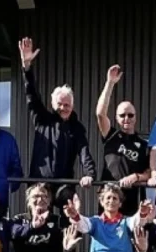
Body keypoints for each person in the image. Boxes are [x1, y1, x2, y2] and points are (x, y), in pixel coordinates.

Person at [18, 37, 96, 196]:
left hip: (63, 185)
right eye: (59, 104)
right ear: (53, 105)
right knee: (37, 208)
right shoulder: (42, 119)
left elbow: (84, 152)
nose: (63, 108)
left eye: (66, 105)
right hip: (39, 182)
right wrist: (27, 67)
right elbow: (31, 94)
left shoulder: (77, 127)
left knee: (69, 202)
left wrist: (89, 174)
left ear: (72, 106)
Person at [64, 190, 150, 252]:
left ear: (120, 203)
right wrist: (75, 216)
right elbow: (83, 225)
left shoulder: (126, 221)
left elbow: (136, 222)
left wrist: (142, 214)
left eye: (115, 198)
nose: (111, 201)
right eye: (108, 198)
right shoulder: (95, 221)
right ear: (101, 202)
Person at [95, 65, 150, 216]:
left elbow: (150, 173)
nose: (126, 119)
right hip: (108, 197)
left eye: (130, 115)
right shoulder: (110, 135)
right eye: (122, 115)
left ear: (136, 117)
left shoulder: (143, 144)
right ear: (116, 118)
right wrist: (110, 83)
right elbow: (100, 113)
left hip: (131, 199)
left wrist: (136, 177)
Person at [7, 183, 68, 252]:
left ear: (49, 201)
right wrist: (32, 226)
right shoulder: (19, 219)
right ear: (28, 201)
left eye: (44, 196)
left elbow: (74, 234)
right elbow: (13, 233)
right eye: (35, 196)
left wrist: (73, 216)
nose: (40, 199)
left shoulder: (57, 220)